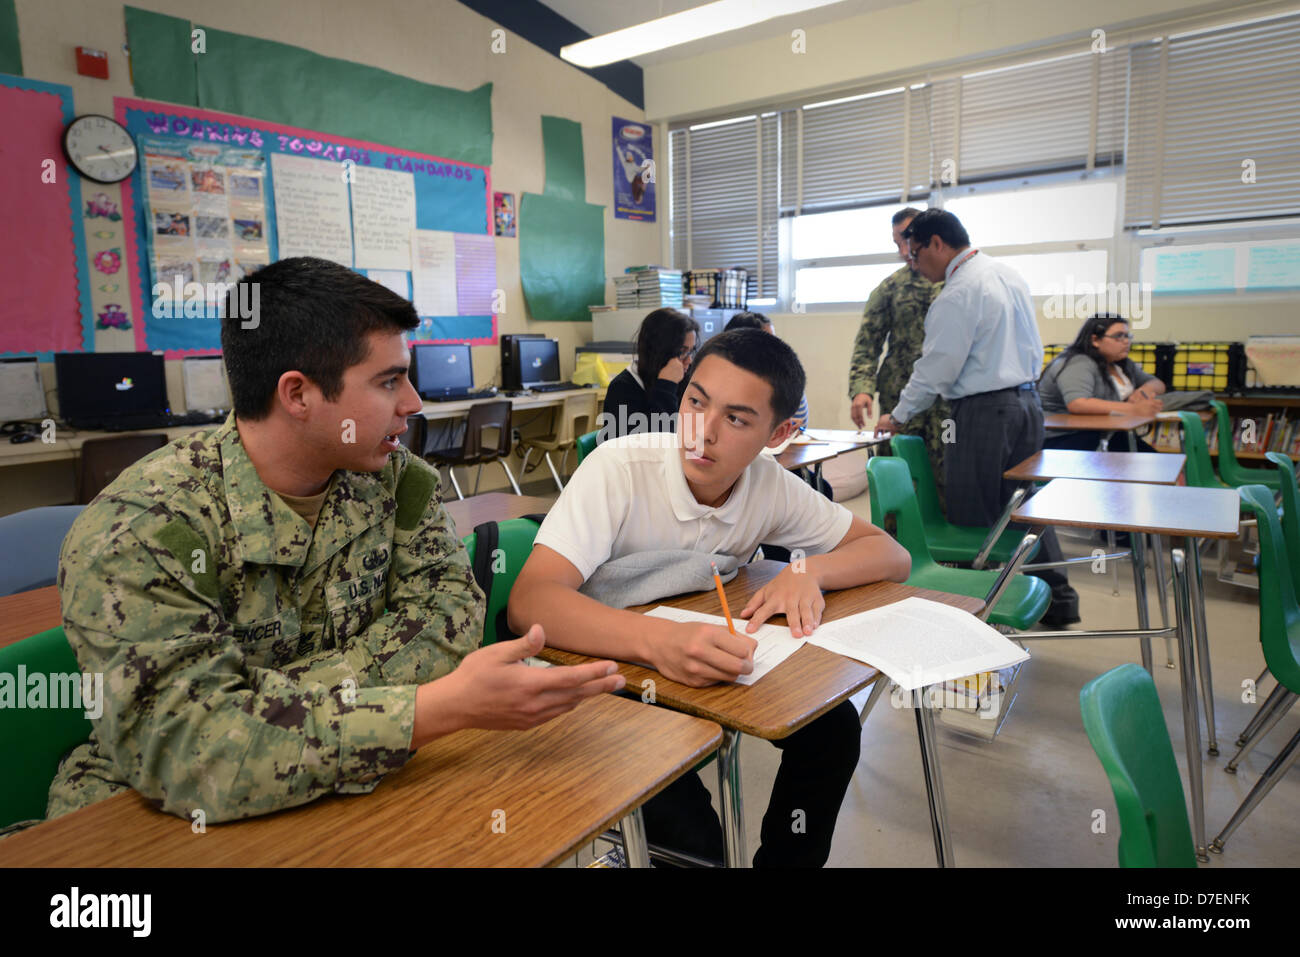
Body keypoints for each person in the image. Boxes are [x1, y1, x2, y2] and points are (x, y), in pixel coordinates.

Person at [40, 257, 624, 830]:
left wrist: (263, 706)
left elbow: (452, 616)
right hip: (151, 818)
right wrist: (426, 710)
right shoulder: (141, 530)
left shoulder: (396, 478)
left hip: (361, 792)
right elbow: (197, 750)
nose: (414, 403)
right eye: (389, 380)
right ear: (298, 394)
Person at [508, 328, 911, 867]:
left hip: (694, 664)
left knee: (832, 732)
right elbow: (531, 601)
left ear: (780, 432)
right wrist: (657, 642)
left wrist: (808, 570)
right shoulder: (620, 469)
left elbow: (891, 555)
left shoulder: (767, 484)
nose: (703, 432)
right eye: (695, 402)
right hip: (599, 672)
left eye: (738, 419)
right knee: (692, 834)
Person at [875, 209, 1079, 627]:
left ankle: (977, 617)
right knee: (1026, 507)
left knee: (973, 512)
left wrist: (898, 415)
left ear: (936, 243)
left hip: (985, 413)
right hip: (1027, 405)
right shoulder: (1006, 275)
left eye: (915, 254)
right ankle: (1059, 600)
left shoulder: (958, 292)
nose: (913, 264)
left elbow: (936, 369)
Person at [848, 207, 950, 509]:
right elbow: (867, 343)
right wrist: (861, 388)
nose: (904, 250)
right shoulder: (890, 288)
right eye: (897, 244)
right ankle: (895, 548)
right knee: (899, 478)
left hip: (947, 404)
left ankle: (954, 552)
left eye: (908, 240)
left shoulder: (957, 284)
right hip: (899, 401)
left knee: (948, 479)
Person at [1039, 313, 1165, 452]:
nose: (1126, 341)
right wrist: (1134, 409)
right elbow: (1078, 403)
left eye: (1127, 336)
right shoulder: (1078, 363)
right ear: (1095, 340)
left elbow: (1157, 383)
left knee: (1160, 464)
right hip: (1066, 438)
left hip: (1106, 433)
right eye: (1118, 336)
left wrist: (1143, 391)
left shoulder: (1120, 364)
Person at [600, 307, 700, 439]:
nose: (689, 360)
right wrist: (666, 386)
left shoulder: (682, 379)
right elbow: (658, 441)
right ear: (659, 351)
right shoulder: (623, 388)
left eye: (690, 351)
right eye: (682, 352)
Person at [725, 311, 809, 429]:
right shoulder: (722, 377)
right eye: (767, 343)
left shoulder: (781, 375)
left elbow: (801, 422)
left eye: (775, 341)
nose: (774, 349)